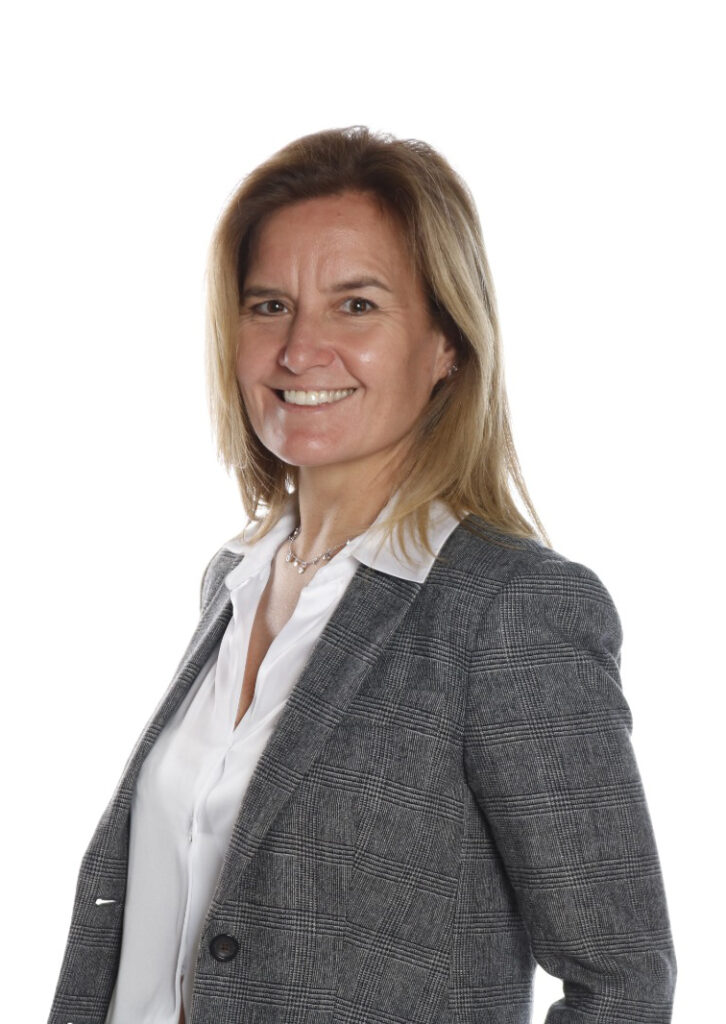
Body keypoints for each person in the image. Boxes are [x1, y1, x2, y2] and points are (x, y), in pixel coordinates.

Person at [48, 126, 676, 1024]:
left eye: (356, 305)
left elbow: (621, 985)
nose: (301, 349)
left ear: (446, 342)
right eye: (269, 305)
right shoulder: (233, 581)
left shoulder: (510, 610)